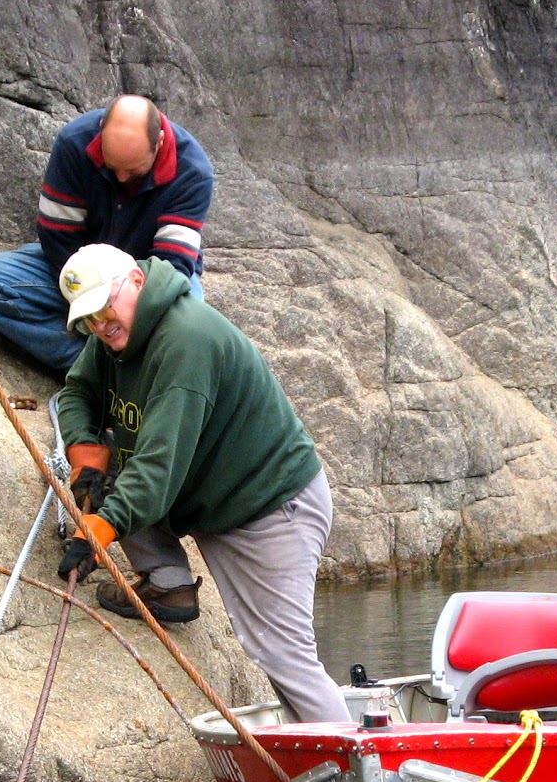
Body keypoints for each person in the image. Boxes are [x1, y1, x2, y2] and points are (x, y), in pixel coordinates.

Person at [52, 243, 351, 725]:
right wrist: (86, 454)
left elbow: (158, 467)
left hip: (268, 505)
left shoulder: (187, 340)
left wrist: (99, 532)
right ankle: (168, 585)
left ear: (135, 282)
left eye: (105, 309)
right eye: (87, 319)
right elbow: (78, 391)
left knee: (282, 656)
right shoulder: (115, 336)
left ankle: (353, 778)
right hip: (202, 489)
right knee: (110, 477)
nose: (100, 325)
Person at [0, 95, 214, 375]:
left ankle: (124, 367)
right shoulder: (74, 143)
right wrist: (91, 297)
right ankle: (92, 373)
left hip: (146, 278)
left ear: (159, 143)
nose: (122, 179)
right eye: (114, 168)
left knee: (188, 329)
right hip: (79, 266)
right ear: (100, 133)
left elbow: (171, 267)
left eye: (134, 170)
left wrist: (121, 307)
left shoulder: (193, 172)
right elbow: (57, 239)